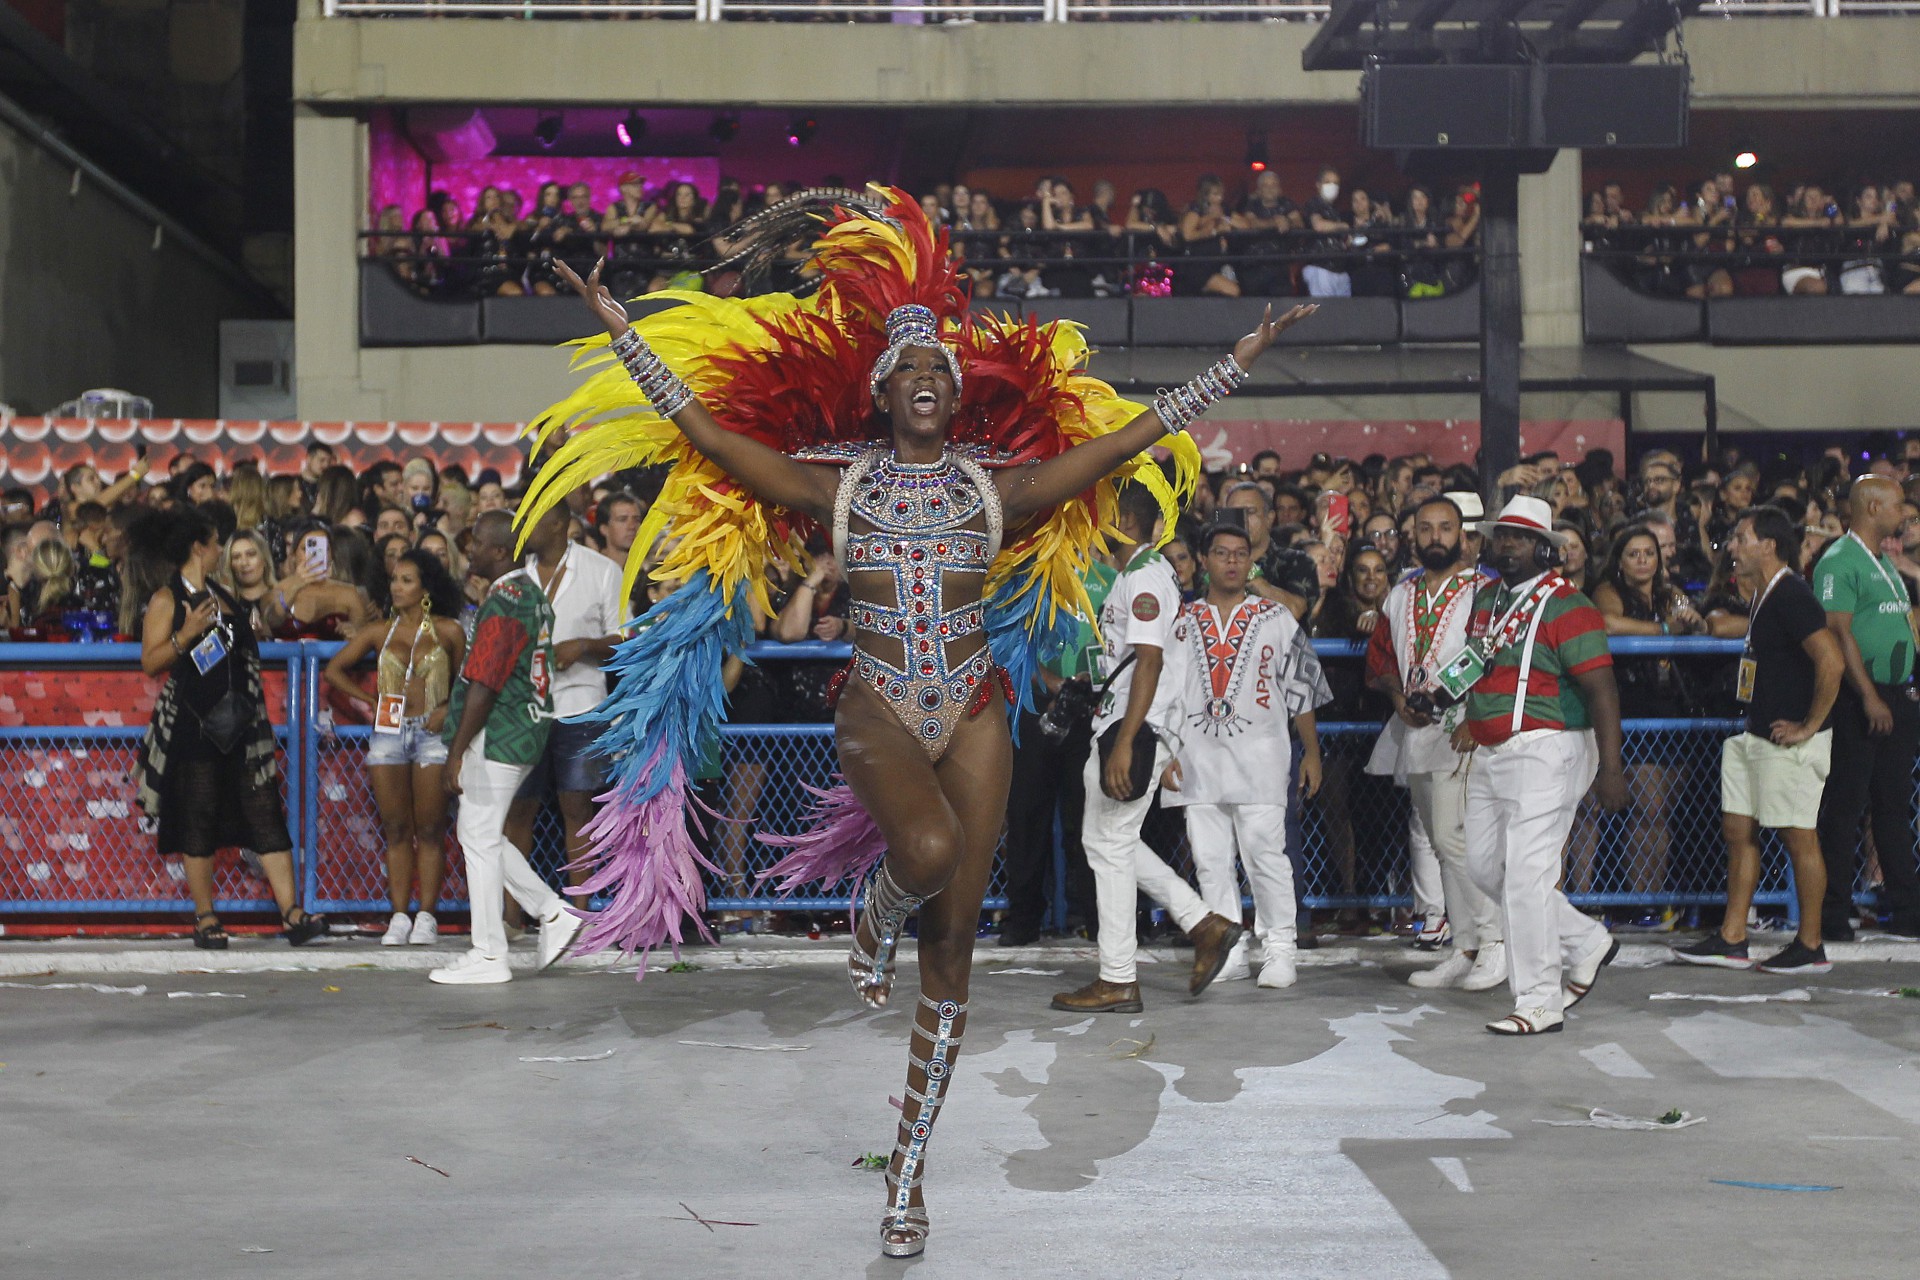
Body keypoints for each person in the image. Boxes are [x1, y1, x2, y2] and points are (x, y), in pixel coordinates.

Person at [543, 186, 1315, 1259]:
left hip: (976, 705)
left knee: (953, 947)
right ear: (881, 392)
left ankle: (906, 1171)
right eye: (904, 373)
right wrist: (624, 333)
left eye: (935, 374)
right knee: (930, 848)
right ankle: (870, 914)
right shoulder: (843, 487)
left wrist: (1230, 367)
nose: (920, 382)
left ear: (952, 396)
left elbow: (1126, 441)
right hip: (876, 704)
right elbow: (712, 438)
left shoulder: (1001, 491)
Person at [1052, 483, 1247, 1014]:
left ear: (1124, 521)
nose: (1094, 522)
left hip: (1130, 727)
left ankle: (1118, 976)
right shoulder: (1140, 575)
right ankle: (1203, 924)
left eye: (1103, 514)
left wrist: (1131, 741)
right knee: (1105, 840)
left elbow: (1150, 661)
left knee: (1109, 844)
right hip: (1126, 722)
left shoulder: (1143, 578)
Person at [1454, 496, 1629, 1035]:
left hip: (1549, 747)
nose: (1504, 544)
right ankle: (1584, 939)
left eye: (1517, 537)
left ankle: (1539, 1000)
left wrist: (1612, 768)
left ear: (1542, 548)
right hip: (1491, 747)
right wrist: (1461, 711)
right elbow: (1481, 666)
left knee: (1528, 877)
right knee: (1485, 867)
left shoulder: (1568, 605)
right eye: (1498, 535)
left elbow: (1603, 691)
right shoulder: (1487, 597)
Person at [129, 507, 326, 949]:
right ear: (200, 547)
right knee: (197, 820)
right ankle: (205, 918)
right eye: (217, 542)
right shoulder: (167, 599)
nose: (222, 550)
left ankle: (292, 915)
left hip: (241, 724)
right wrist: (187, 634)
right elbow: (149, 662)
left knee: (265, 814)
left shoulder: (223, 594)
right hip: (194, 726)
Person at [1160, 520, 1327, 990]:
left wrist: (1310, 752)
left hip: (1262, 758)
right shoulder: (1180, 621)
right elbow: (1165, 693)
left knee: (1265, 857)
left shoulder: (1275, 617)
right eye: (1221, 553)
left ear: (1250, 562)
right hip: (1195, 759)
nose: (1232, 561)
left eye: (1240, 554)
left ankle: (1280, 948)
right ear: (1204, 561)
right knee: (1210, 860)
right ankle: (1227, 952)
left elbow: (1303, 689)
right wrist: (1164, 753)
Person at [1675, 506, 1842, 973]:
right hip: (1757, 733)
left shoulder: (1791, 593)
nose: (1732, 546)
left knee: (1797, 836)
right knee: (1739, 830)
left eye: (1741, 538)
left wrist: (1809, 725)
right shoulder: (1766, 594)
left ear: (1768, 545)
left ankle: (1811, 946)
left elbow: (1832, 662)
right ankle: (1732, 937)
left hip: (1789, 739)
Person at [429, 510, 585, 985]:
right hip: (526, 726)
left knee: (477, 835)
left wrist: (456, 751)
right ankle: (552, 913)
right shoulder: (529, 593)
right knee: (483, 834)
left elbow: (485, 682)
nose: (469, 550)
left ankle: (490, 953)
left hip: (501, 730)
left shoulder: (506, 599)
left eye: (475, 543)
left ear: (499, 551)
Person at [1366, 496, 1505, 991]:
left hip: (1464, 729)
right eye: (1425, 528)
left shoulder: (1486, 591)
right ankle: (1463, 948)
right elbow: (1380, 655)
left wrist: (1481, 717)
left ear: (1464, 535)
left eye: (1445, 528)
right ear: (1413, 536)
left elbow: (1495, 658)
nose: (1435, 537)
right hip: (1417, 730)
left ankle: (1493, 944)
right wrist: (1397, 695)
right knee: (1444, 845)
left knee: (1455, 840)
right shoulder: (1400, 593)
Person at [323, 551, 466, 946]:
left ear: (425, 588)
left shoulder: (450, 630)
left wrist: (447, 709)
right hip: (388, 732)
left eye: (406, 580)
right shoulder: (377, 632)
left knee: (432, 828)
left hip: (433, 735)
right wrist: (369, 702)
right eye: (395, 579)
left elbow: (470, 685)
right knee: (397, 829)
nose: (396, 586)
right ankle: (399, 915)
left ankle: (427, 916)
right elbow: (333, 671)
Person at [502, 500, 629, 911]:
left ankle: (581, 913)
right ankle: (510, 918)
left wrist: (584, 646)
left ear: (559, 525)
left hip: (582, 705)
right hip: (525, 709)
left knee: (578, 810)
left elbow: (626, 638)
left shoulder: (602, 571)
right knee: (517, 811)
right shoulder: (513, 579)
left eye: (533, 521)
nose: (523, 529)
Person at [1811, 476, 1920, 940]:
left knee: (1893, 808)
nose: (1907, 514)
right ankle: (1833, 914)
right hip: (1860, 700)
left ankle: (1909, 911)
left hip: (1894, 698)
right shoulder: (1838, 560)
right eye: (1899, 506)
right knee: (1845, 808)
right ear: (1873, 507)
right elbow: (1838, 632)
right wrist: (1870, 696)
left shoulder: (1883, 563)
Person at [1591, 523, 1707, 907]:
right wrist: (1663, 629)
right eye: (1633, 554)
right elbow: (1606, 624)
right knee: (1648, 807)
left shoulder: (1669, 594)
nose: (1642, 561)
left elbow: (1692, 621)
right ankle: (1640, 899)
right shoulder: (1609, 591)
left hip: (1671, 704)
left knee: (1664, 813)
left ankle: (1655, 900)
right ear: (1620, 562)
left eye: (1649, 553)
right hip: (1632, 704)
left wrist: (1692, 624)